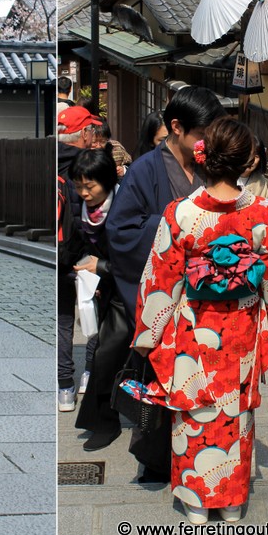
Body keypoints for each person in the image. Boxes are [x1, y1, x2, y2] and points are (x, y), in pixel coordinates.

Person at [131, 117, 268, 524]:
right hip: (242, 330)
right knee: (236, 416)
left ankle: (195, 502)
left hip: (193, 331)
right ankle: (230, 502)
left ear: (203, 159)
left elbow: (160, 281)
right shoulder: (262, 213)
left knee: (193, 412)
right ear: (247, 162)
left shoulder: (181, 213)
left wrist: (148, 334)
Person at [106, 86, 226, 483]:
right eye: (202, 134)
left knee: (203, 382)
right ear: (176, 127)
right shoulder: (144, 169)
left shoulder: (209, 165)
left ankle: (200, 456)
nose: (208, 142)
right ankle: (158, 459)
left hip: (206, 297)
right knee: (163, 379)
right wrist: (175, 227)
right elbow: (121, 231)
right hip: (166, 298)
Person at [62, 146, 128, 451]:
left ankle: (113, 420)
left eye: (91, 186)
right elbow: (74, 242)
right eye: (79, 186)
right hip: (108, 287)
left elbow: (139, 256)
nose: (84, 193)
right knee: (105, 353)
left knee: (108, 354)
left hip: (135, 287)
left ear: (107, 181)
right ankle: (103, 420)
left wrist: (100, 266)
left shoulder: (126, 204)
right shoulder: (80, 205)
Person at [57, 106, 102, 413]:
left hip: (59, 254)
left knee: (63, 321)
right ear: (84, 134)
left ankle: (64, 390)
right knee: (92, 314)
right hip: (86, 254)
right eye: (91, 130)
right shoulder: (91, 165)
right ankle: (88, 374)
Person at [239, 135, 268, 199]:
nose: (251, 160)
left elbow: (265, 205)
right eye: (247, 154)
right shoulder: (225, 175)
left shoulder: (260, 181)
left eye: (256, 156)